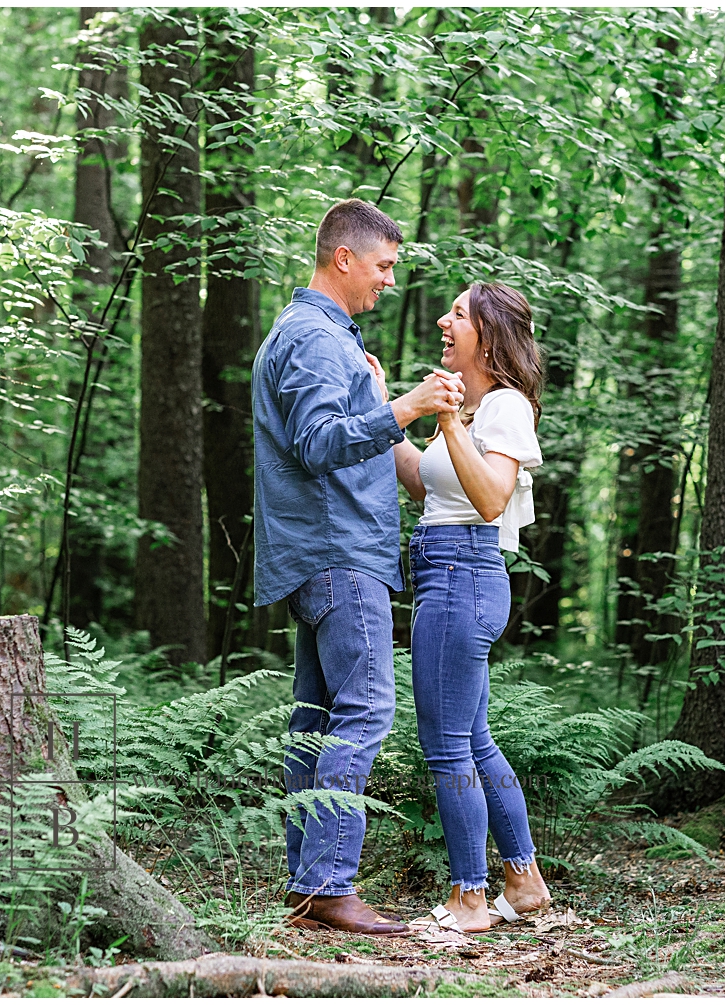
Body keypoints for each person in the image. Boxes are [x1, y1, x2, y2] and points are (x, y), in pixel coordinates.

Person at [252, 199, 464, 935]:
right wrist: (402, 406)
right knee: (366, 709)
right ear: (343, 258)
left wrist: (381, 403)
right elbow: (316, 443)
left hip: (327, 550)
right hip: (338, 551)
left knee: (313, 723)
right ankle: (329, 881)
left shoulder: (325, 335)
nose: (388, 280)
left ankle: (308, 885)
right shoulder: (313, 337)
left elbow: (348, 436)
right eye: (383, 266)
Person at [392, 282, 554, 933]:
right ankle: (524, 882)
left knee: (446, 744)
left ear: (487, 335)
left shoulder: (505, 407)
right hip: (446, 567)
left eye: (457, 313)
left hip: (462, 573)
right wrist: (388, 411)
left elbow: (490, 498)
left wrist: (451, 422)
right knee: (475, 739)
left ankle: (468, 899)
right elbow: (424, 482)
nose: (442, 320)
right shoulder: (477, 408)